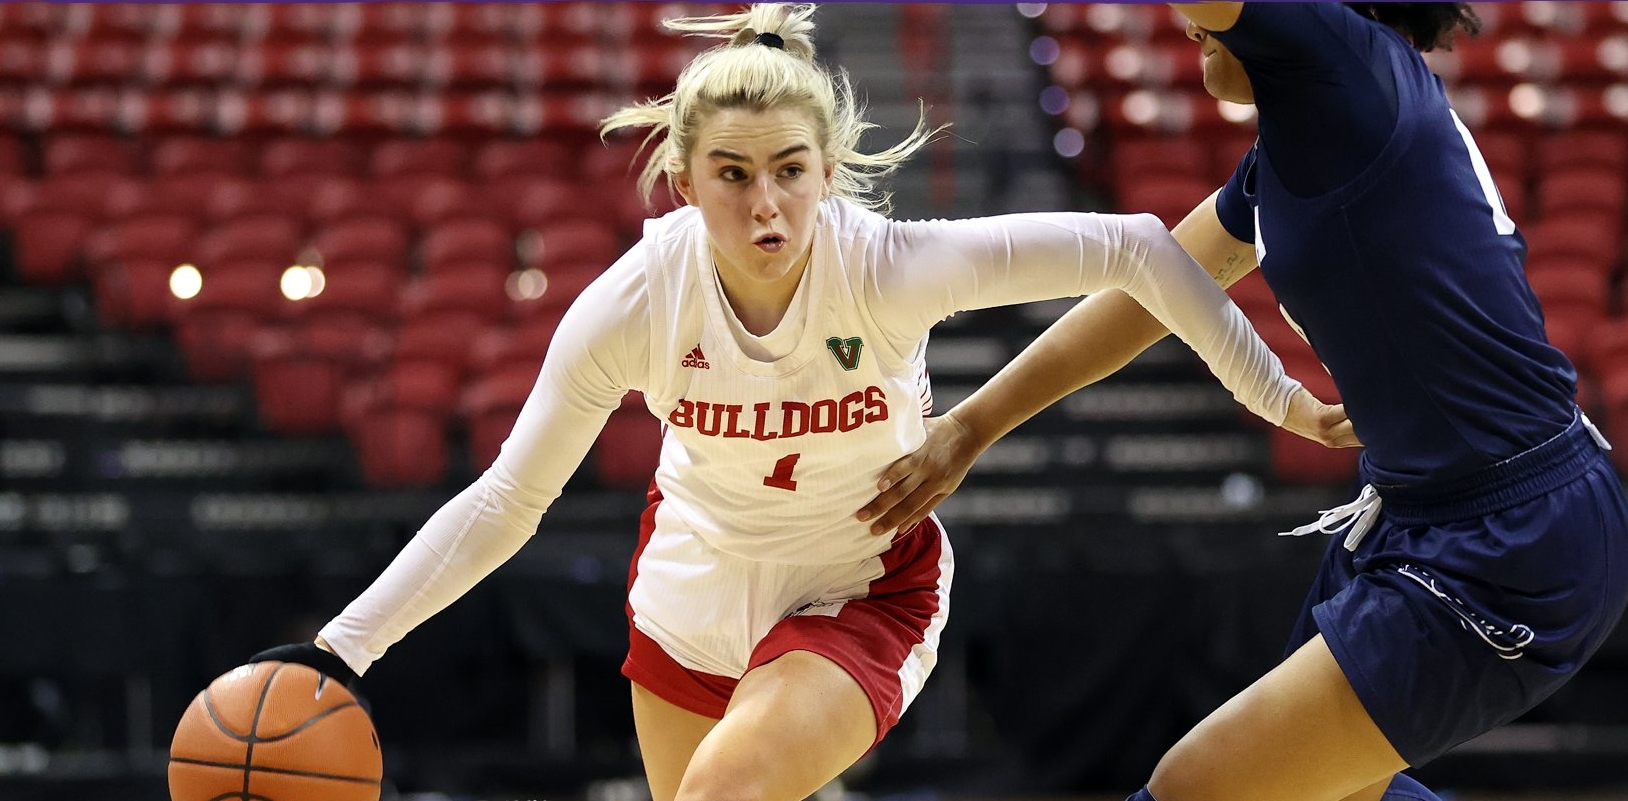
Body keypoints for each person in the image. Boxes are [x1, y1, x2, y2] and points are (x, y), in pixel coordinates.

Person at [251, 5, 1352, 801]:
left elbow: (1137, 247)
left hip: (858, 588)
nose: (766, 205)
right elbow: (507, 501)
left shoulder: (884, 267)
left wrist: (1276, 395)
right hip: (690, 591)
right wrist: (340, 651)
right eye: (733, 176)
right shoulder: (636, 300)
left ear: (828, 171)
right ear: (685, 182)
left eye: (789, 170)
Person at [856, 3, 1628, 801]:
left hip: (1511, 533)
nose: (1186, 23)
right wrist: (971, 425)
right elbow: (1148, 290)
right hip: (1428, 516)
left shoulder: (1347, 66)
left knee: (1194, 788)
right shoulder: (1311, 131)